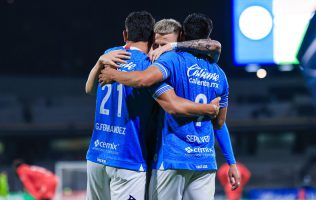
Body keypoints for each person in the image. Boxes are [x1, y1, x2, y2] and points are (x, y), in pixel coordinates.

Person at [98, 13, 240, 200]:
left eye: (162, 45)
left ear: (181, 36)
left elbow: (145, 80)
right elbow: (220, 123)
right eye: (156, 45)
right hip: (205, 160)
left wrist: (113, 75)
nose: (158, 50)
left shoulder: (171, 62)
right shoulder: (219, 73)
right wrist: (231, 162)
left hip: (173, 157)